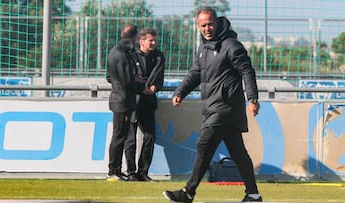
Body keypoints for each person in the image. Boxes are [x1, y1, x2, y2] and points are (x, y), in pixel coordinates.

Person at [162, 7, 262, 202]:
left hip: (225, 108)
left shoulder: (231, 45)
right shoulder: (203, 49)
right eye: (203, 25)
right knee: (238, 153)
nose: (207, 28)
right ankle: (253, 194)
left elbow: (247, 71)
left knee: (204, 145)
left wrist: (253, 98)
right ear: (198, 27)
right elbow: (195, 74)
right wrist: (180, 92)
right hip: (214, 108)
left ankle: (188, 192)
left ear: (217, 22)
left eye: (210, 24)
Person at [106, 24, 155, 182]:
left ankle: (117, 170)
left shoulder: (115, 51)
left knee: (120, 136)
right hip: (123, 100)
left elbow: (110, 77)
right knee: (119, 136)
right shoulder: (123, 53)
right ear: (134, 37)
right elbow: (127, 80)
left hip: (119, 98)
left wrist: (129, 80)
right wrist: (141, 87)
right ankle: (113, 171)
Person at [124, 28, 165, 182]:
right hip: (132, 102)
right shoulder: (131, 55)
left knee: (149, 137)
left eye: (155, 40)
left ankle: (143, 172)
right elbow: (130, 77)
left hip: (148, 103)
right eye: (150, 40)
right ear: (141, 41)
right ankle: (130, 172)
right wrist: (144, 87)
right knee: (131, 139)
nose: (153, 43)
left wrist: (155, 87)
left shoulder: (159, 56)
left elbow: (159, 76)